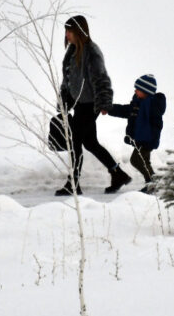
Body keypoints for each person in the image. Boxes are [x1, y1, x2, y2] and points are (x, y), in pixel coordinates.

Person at [55, 15, 132, 196]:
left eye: (70, 31)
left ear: (79, 31)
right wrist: (64, 100)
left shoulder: (91, 52)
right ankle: (117, 173)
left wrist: (104, 102)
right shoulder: (72, 51)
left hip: (90, 105)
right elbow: (67, 81)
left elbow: (101, 79)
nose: (67, 35)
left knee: (75, 142)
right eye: (66, 31)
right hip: (80, 104)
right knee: (90, 143)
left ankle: (72, 184)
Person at [104, 74, 166, 193]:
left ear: (146, 91)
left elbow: (157, 124)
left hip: (148, 139)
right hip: (141, 138)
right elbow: (126, 110)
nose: (135, 90)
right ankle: (152, 182)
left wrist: (151, 139)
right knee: (142, 161)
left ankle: (153, 181)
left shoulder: (153, 105)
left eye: (138, 89)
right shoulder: (138, 102)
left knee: (137, 160)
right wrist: (110, 109)